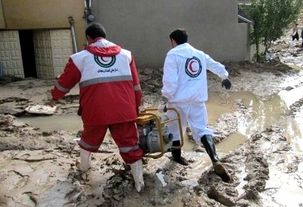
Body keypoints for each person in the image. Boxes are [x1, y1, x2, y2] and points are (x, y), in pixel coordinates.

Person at [50, 23, 145, 192]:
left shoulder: (79, 58)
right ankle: (139, 184)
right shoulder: (126, 55)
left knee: (88, 142)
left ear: (88, 39)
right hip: (123, 111)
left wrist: (54, 97)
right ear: (105, 36)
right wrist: (135, 109)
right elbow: (136, 87)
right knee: (130, 146)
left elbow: (64, 84)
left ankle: (84, 170)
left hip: (95, 112)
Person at [161, 29, 232, 182]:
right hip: (197, 100)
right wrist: (224, 77)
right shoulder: (199, 54)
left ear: (173, 41)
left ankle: (178, 158)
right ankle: (214, 158)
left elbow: (170, 82)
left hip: (178, 101)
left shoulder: (173, 55)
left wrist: (165, 98)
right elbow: (214, 65)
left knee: (176, 129)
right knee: (202, 129)